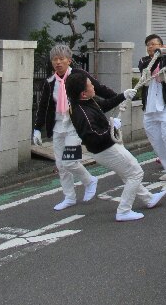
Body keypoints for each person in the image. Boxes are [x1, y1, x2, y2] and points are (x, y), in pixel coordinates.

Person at [64, 73, 166, 221]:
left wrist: (123, 95)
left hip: (107, 147)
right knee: (136, 173)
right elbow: (93, 136)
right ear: (83, 93)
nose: (93, 86)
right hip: (106, 149)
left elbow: (105, 105)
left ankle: (148, 198)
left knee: (127, 173)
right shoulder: (81, 112)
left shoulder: (87, 101)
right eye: (90, 85)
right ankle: (123, 211)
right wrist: (111, 127)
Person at [33, 44, 115, 211]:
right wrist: (37, 128)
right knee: (61, 165)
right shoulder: (50, 82)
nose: (58, 62)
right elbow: (43, 106)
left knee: (70, 161)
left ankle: (89, 180)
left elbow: (99, 88)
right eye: (54, 59)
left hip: (76, 125)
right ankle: (69, 197)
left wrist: (119, 97)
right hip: (58, 126)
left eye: (61, 59)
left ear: (69, 60)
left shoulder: (79, 76)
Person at [137, 34, 166, 184]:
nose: (150, 47)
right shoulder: (144, 61)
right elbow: (148, 68)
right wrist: (161, 55)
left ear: (161, 45)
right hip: (150, 107)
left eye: (154, 44)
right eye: (148, 45)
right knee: (156, 140)